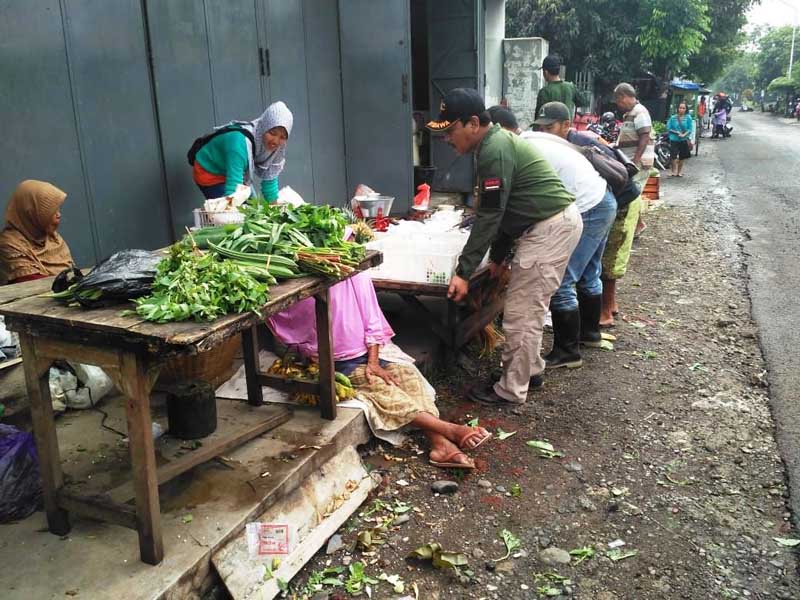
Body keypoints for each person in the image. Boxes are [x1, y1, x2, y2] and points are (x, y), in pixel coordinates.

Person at [428, 88, 582, 405]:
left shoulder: (493, 149)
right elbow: (504, 211)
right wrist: (497, 258)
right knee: (530, 308)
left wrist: (463, 273)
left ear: (473, 123)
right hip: (548, 224)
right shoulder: (493, 144)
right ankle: (530, 371)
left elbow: (489, 216)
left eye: (450, 131)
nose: (447, 140)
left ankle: (511, 390)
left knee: (521, 314)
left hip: (548, 228)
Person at [267, 272, 492, 470]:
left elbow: (372, 319)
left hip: (371, 352)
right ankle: (448, 432)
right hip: (338, 361)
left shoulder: (357, 274)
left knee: (409, 378)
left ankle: (440, 443)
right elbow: (289, 327)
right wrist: (307, 351)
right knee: (383, 392)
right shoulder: (304, 285)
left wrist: (373, 361)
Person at [525, 102, 617, 369]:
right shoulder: (537, 142)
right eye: (541, 126)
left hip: (590, 206)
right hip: (602, 199)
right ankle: (589, 334)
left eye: (549, 126)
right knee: (589, 272)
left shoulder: (523, 146)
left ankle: (567, 352)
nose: (545, 130)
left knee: (562, 279)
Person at [192, 101, 293, 201]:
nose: (275, 141)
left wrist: (275, 211)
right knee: (233, 211)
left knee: (254, 207)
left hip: (236, 171)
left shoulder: (278, 147)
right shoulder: (239, 143)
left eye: (282, 137)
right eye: (272, 133)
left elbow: (270, 183)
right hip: (209, 172)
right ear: (264, 127)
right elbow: (233, 192)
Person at [0, 180, 74, 285]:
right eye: (51, 211)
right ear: (31, 212)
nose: (58, 215)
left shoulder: (53, 238)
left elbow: (71, 274)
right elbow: (30, 283)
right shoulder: (10, 244)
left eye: (58, 209)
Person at [534, 55, 589, 121]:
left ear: (546, 72)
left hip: (550, 130)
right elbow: (583, 102)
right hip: (567, 129)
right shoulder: (570, 87)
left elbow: (538, 118)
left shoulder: (544, 92)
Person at [666, 102, 695, 177]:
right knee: (673, 156)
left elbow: (690, 129)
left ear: (686, 109)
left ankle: (679, 172)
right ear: (677, 109)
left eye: (683, 108)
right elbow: (668, 128)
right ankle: (673, 171)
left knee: (682, 156)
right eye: (680, 108)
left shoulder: (688, 117)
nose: (681, 109)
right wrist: (676, 132)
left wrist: (683, 135)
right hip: (674, 139)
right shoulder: (673, 118)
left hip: (683, 139)